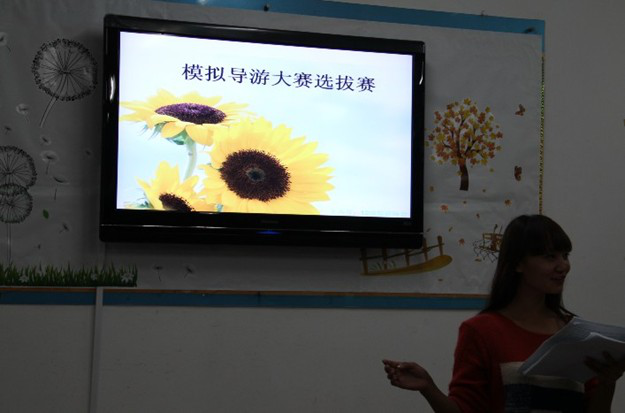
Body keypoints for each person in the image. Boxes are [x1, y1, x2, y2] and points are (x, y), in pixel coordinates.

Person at [383, 214, 625, 412]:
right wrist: (428, 388)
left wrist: (607, 382)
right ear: (518, 263)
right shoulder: (481, 331)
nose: (563, 266)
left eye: (565, 256)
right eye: (550, 257)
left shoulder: (577, 333)